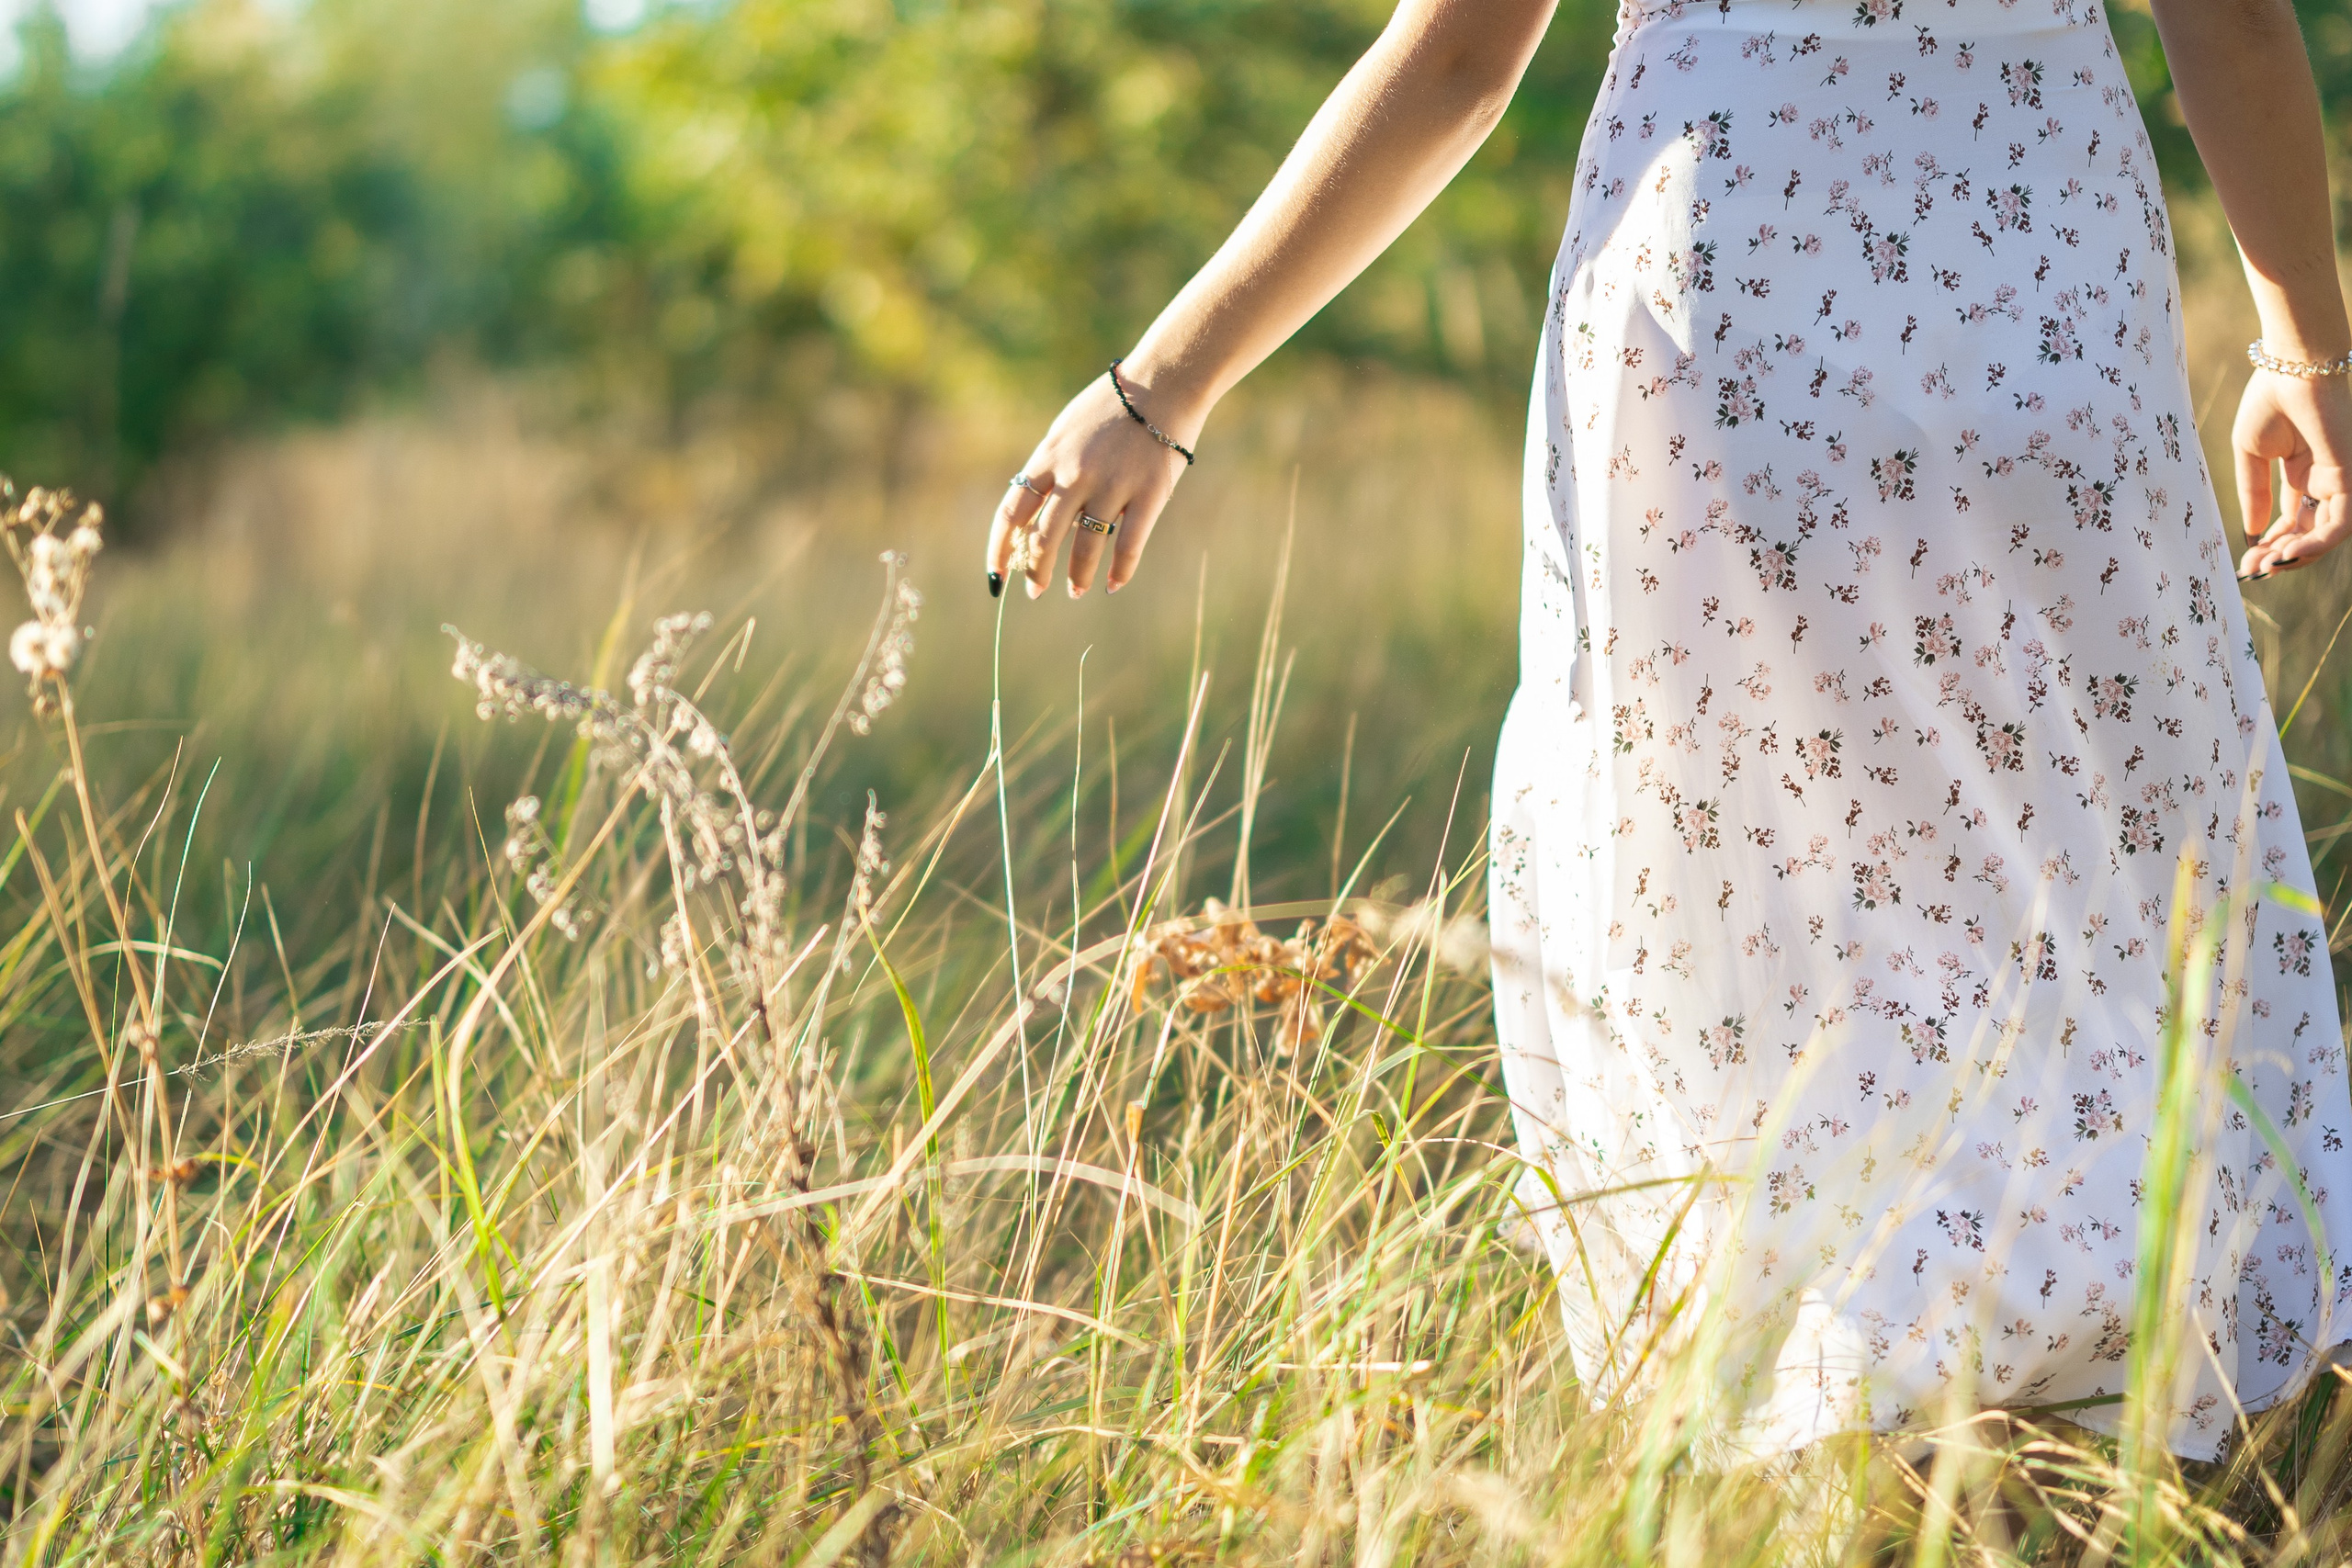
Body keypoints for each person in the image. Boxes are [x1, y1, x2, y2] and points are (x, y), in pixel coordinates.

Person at [986, 0, 2352, 1457]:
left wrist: (1165, 383)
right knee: (2087, 877)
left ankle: (1871, 1400)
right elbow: (2233, 24)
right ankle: (2102, 1382)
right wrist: (2309, 356)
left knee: (1783, 905)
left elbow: (1458, 60)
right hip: (2047, 302)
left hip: (1735, 310)